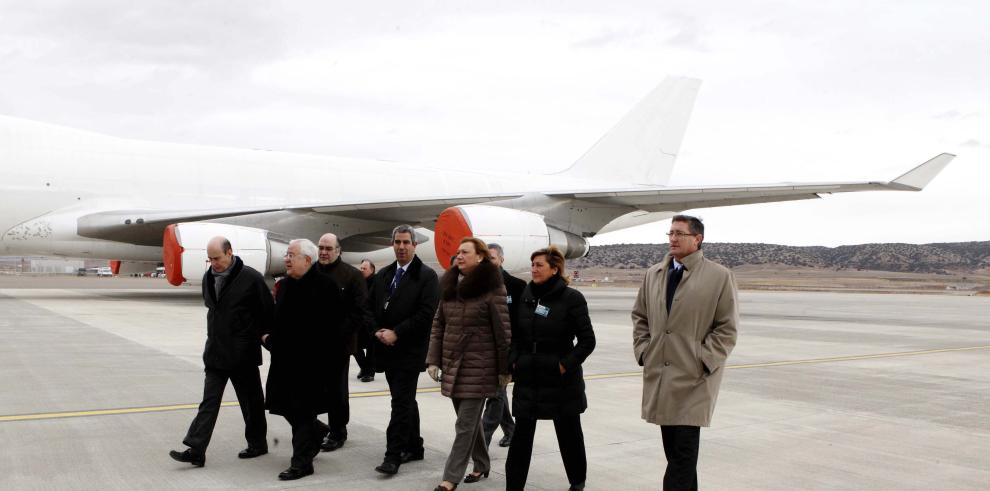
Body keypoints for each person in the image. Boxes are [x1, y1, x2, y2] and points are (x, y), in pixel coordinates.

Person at [631, 215, 738, 491]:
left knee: (682, 456)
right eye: (670, 233)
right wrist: (644, 351)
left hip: (694, 380)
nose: (673, 239)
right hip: (661, 376)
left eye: (679, 233)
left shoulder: (719, 276)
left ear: (697, 239)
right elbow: (640, 317)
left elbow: (727, 328)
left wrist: (704, 360)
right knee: (677, 456)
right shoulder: (654, 274)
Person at [169, 236, 272, 468]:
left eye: (217, 258)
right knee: (209, 402)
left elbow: (267, 313)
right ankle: (196, 449)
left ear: (230, 252)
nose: (213, 263)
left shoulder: (251, 278)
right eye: (210, 259)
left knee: (251, 403)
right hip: (216, 353)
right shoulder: (209, 277)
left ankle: (258, 444)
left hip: (242, 354)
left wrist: (266, 340)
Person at [505, 246, 596, 491]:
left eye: (539, 265)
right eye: (532, 264)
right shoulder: (526, 296)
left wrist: (564, 365)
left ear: (555, 269)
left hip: (560, 380)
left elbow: (587, 341)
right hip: (528, 376)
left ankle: (577, 482)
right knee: (521, 438)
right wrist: (514, 360)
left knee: (569, 434)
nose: (533, 269)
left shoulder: (571, 298)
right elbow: (515, 335)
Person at [426, 238, 511, 490]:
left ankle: (450, 479)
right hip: (453, 366)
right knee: (469, 424)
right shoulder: (450, 286)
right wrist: (433, 360)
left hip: (480, 368)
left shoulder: (493, 289)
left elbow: (503, 333)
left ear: (480, 257)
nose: (459, 256)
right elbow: (438, 324)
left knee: (464, 425)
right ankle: (482, 463)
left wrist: (504, 370)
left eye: (465, 252)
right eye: (458, 252)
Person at [261, 239, 345, 481]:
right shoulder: (285, 285)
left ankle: (301, 463)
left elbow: (331, 330)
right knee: (286, 407)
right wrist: (269, 338)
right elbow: (281, 322)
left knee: (301, 413)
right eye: (286, 254)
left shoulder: (326, 287)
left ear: (307, 260)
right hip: (285, 362)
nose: (286, 258)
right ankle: (318, 431)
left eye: (291, 255)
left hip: (311, 365)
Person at [369, 225, 440, 476]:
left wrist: (397, 332)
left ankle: (393, 455)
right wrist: (377, 330)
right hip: (386, 350)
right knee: (405, 400)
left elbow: (426, 314)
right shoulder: (385, 275)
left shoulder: (427, 276)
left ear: (414, 245)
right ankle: (415, 445)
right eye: (397, 242)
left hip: (409, 351)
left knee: (400, 403)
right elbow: (370, 307)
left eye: (406, 242)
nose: (401, 247)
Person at [315, 233, 373, 452]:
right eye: (321, 247)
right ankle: (313, 428)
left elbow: (359, 311)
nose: (324, 252)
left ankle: (338, 431)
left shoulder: (351, 276)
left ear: (338, 251)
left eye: (328, 248)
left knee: (336, 390)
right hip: (313, 344)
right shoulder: (311, 272)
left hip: (339, 344)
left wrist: (339, 335)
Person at [480, 243, 524, 448]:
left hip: (507, 350)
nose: (489, 262)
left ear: (502, 260)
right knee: (499, 394)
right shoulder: (478, 285)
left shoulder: (516, 285)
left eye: (493, 258)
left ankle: (482, 441)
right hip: (485, 349)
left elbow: (521, 321)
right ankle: (511, 430)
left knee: (496, 395)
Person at [356, 258, 377, 382]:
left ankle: (369, 373)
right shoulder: (358, 281)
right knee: (355, 347)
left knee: (371, 348)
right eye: (361, 268)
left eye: (365, 268)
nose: (362, 270)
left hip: (371, 321)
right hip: (359, 321)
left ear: (372, 270)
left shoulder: (376, 282)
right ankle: (364, 368)